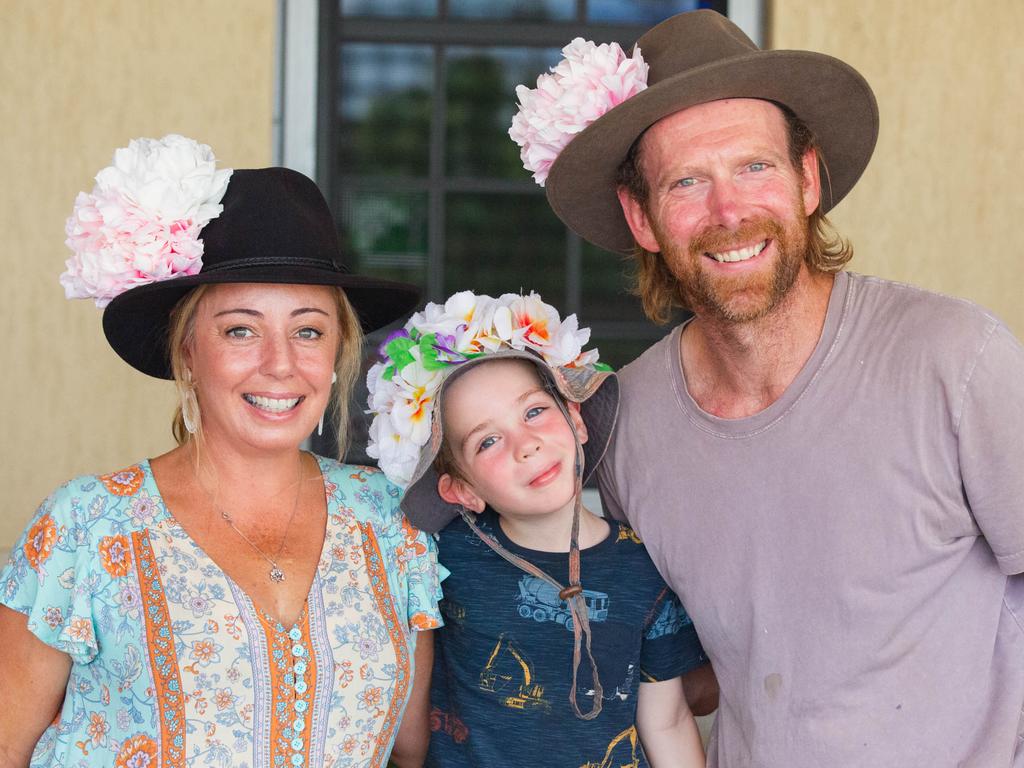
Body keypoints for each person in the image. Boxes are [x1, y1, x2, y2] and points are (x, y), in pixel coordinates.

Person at [508, 9, 1024, 767]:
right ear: (641, 217)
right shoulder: (628, 422)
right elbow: (694, 667)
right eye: (687, 181)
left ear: (807, 180)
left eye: (754, 166)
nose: (728, 212)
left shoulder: (955, 359)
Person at [0, 135, 443, 767]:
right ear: (187, 351)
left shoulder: (390, 522)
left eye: (308, 330)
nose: (280, 365)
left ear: (339, 348)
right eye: (241, 329)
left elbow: (413, 749)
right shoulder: (86, 528)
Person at [363, 291, 708, 767]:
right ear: (461, 490)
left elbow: (666, 721)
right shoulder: (446, 558)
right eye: (488, 441)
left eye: (534, 412)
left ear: (577, 420)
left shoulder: (644, 568)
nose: (525, 446)